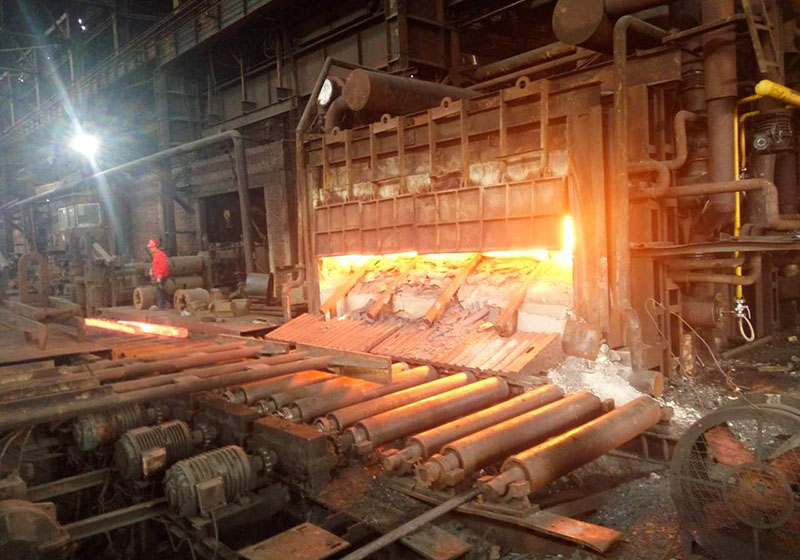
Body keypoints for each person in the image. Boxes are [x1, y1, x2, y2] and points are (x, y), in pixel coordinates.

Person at [147, 239, 170, 309]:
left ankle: (161, 306)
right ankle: (161, 304)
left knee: (160, 291)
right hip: (158, 276)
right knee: (159, 291)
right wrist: (152, 270)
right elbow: (156, 265)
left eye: (151, 247)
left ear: (154, 247)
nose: (150, 249)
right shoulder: (156, 255)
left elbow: (163, 266)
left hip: (161, 277)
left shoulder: (160, 254)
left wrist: (160, 276)